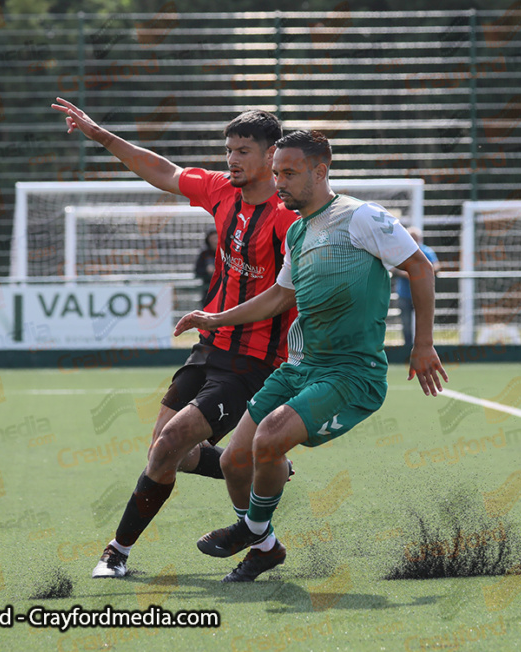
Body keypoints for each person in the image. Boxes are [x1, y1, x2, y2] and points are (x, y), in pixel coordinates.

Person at [175, 131, 447, 581]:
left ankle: (250, 530)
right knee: (231, 460)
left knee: (270, 439)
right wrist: (215, 318)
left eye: (289, 173)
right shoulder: (299, 230)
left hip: (350, 373)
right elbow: (280, 295)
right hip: (300, 367)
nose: (278, 182)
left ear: (321, 172)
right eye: (276, 172)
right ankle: (264, 546)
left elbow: (420, 267)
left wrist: (422, 344)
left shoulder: (361, 217)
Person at [51, 98, 299, 580]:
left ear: (272, 156)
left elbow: (288, 293)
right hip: (210, 346)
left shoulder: (291, 219)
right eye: (228, 149)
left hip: (256, 360)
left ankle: (116, 553)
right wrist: (101, 135)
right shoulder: (221, 191)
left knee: (170, 442)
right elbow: (161, 171)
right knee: (169, 455)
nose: (232, 159)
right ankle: (261, 517)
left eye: (243, 150)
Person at [391, 226, 440, 348]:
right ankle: (408, 348)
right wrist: (405, 274)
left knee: (423, 323)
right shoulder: (400, 251)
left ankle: (424, 347)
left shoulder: (427, 252)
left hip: (422, 295)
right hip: (405, 294)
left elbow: (436, 267)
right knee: (406, 324)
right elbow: (392, 268)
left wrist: (418, 274)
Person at [194, 229, 218, 305]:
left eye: (216, 238)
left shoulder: (226, 252)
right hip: (208, 290)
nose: (215, 241)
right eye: (213, 238)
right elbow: (197, 271)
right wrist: (207, 271)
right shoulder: (204, 253)